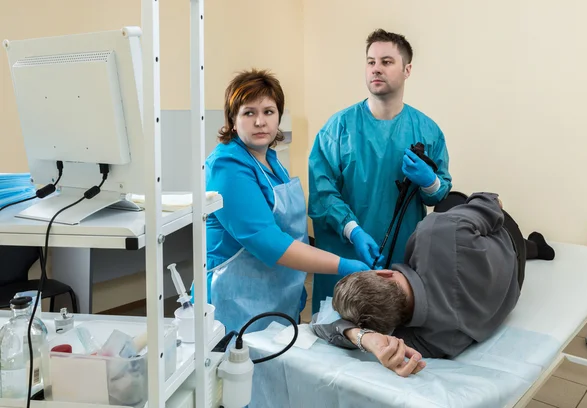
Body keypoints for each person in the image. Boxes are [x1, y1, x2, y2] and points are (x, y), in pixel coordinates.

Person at [200, 69, 370, 334]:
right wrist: (342, 265)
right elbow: (268, 241)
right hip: (233, 303)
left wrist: (293, 286)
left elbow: (291, 231)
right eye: (249, 113)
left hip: (272, 297)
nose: (260, 121)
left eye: (268, 112)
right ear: (233, 120)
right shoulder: (227, 165)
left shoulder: (271, 160)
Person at [311, 192, 555, 376]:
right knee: (452, 200)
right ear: (384, 274)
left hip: (513, 285)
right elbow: (491, 203)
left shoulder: (424, 342)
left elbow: (321, 327)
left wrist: (361, 336)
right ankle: (534, 246)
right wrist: (481, 201)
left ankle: (534, 246)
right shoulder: (436, 232)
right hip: (508, 244)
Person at [308, 28, 453, 313]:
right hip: (344, 254)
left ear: (407, 69)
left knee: (394, 336)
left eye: (386, 62)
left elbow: (439, 196)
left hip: (401, 260)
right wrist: (354, 231)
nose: (376, 69)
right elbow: (322, 194)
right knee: (339, 330)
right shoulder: (337, 129)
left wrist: (430, 183)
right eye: (371, 61)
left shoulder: (427, 131)